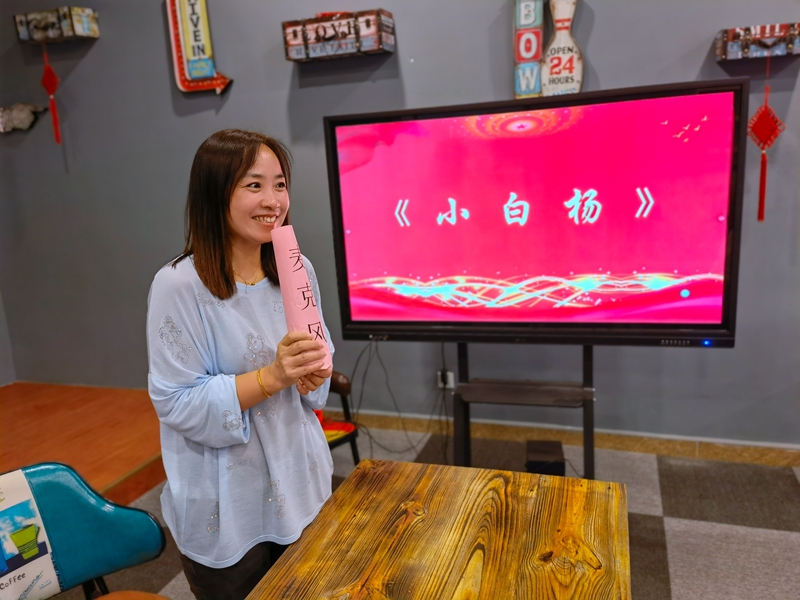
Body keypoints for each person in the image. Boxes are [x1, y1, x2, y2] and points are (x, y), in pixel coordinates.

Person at [146, 129, 334, 600]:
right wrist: (272, 376)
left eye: (280, 184)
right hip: (226, 501)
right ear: (215, 194)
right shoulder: (178, 285)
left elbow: (316, 367)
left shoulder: (297, 269)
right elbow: (176, 402)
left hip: (300, 479)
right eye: (254, 185)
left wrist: (314, 370)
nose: (273, 201)